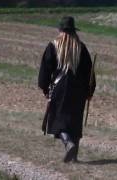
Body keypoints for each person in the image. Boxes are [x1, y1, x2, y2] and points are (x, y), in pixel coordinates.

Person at [38, 16, 96, 163]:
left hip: (60, 89)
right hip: (79, 90)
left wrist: (45, 87)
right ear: (73, 31)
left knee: (58, 120)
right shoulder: (81, 47)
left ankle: (68, 143)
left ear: (60, 30)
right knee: (74, 121)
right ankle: (74, 158)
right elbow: (89, 72)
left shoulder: (53, 46)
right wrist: (90, 91)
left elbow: (45, 70)